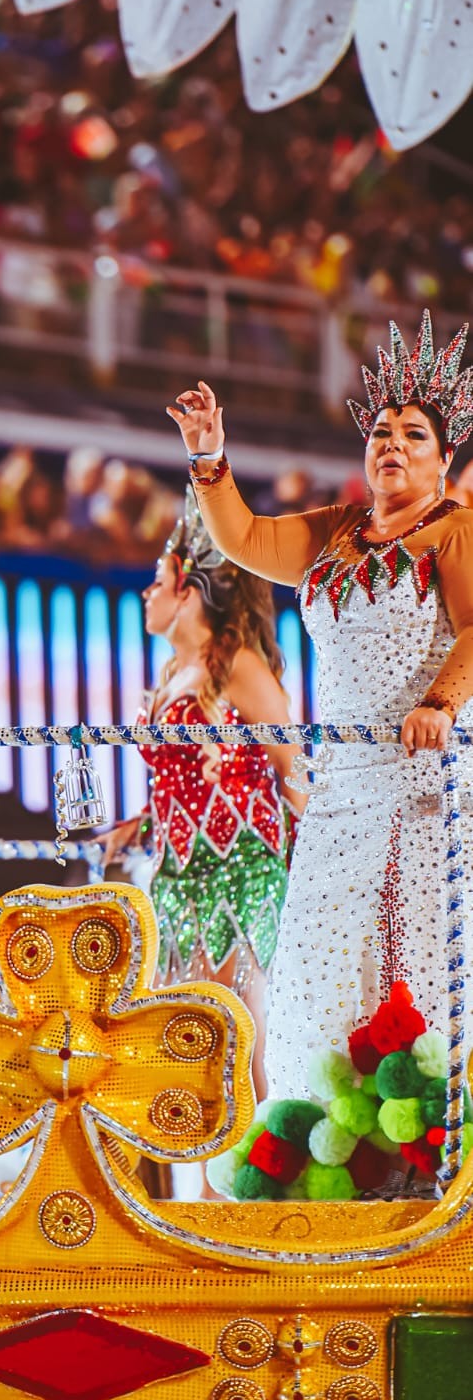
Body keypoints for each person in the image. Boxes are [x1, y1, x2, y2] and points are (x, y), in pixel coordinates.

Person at [167, 311, 473, 1096]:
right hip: (340, 790)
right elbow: (243, 541)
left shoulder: (455, 531)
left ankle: (426, 1147)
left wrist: (439, 702)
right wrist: (209, 458)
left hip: (424, 785)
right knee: (318, 970)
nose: (392, 445)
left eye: (413, 435)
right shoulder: (338, 530)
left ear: (444, 460)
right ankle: (319, 1152)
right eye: (381, 432)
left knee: (415, 970)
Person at [101, 492, 303, 1099]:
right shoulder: (170, 674)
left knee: (236, 1040)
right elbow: (180, 778)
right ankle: (204, 1191)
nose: (146, 594)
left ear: (187, 593)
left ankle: (260, 1183)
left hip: (239, 870)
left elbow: (290, 766)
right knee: (185, 1045)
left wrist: (330, 855)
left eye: (156, 583)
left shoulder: (238, 664)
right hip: (178, 874)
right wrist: (138, 824)